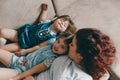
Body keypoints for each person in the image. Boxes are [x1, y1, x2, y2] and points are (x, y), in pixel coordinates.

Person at [23, 28, 116, 80]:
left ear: (80, 55)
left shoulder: (82, 77)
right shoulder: (69, 56)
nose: (69, 44)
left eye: (72, 44)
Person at [0, 3, 76, 55]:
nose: (61, 23)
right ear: (56, 19)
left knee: (2, 50)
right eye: (61, 20)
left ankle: (3, 43)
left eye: (64, 25)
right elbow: (41, 20)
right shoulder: (48, 22)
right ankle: (3, 40)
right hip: (21, 33)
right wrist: (44, 11)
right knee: (2, 31)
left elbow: (39, 46)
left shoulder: (52, 39)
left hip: (23, 44)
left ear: (64, 31)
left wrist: (25, 51)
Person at [0, 33, 73, 80]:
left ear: (66, 52)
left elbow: (34, 70)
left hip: (20, 71)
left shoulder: (52, 59)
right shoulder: (51, 43)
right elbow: (38, 47)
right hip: (19, 60)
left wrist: (15, 78)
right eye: (58, 41)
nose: (57, 46)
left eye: (62, 47)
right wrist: (25, 51)